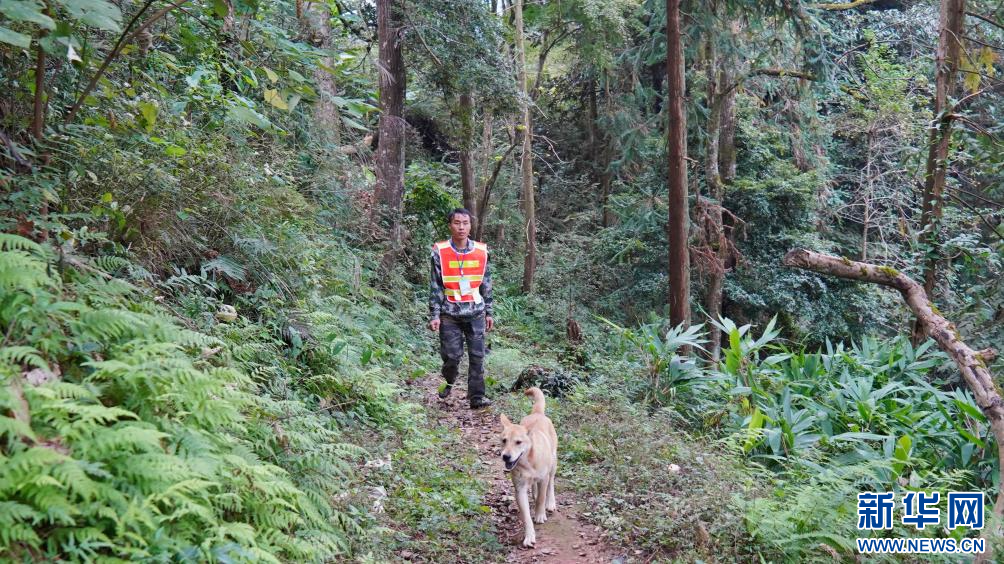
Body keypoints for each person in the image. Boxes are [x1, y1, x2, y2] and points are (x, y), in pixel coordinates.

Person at [429, 208, 495, 409]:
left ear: (470, 225)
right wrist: (435, 314)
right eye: (457, 223)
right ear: (450, 225)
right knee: (452, 356)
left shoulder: (481, 251)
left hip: (475, 312)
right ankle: (448, 381)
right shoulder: (440, 252)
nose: (461, 227)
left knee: (477, 356)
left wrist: (489, 311)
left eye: (465, 223)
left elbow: (486, 282)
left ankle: (476, 396)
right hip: (449, 313)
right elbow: (435, 285)